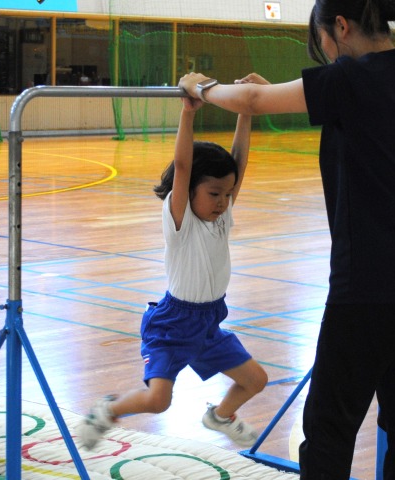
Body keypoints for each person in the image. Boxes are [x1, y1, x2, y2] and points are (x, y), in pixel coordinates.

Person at [178, 0, 395, 478]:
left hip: (374, 286)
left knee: (329, 424)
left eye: (325, 43)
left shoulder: (348, 81)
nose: (327, 55)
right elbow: (356, 116)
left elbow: (249, 101)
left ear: (342, 26)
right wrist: (288, 93)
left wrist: (201, 88)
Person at [78, 91, 268, 450]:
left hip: (207, 324)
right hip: (172, 326)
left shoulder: (221, 216)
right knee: (158, 401)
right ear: (191, 189)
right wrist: (187, 113)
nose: (223, 202)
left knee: (256, 379)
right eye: (214, 194)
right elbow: (182, 166)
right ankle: (107, 411)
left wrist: (247, 110)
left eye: (227, 194)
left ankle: (220, 416)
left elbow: (237, 165)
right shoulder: (181, 220)